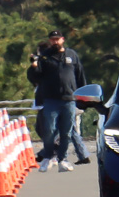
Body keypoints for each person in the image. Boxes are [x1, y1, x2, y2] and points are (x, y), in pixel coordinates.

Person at [27, 30, 89, 172]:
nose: (55, 42)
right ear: (49, 41)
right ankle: (48, 157)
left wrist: (83, 97)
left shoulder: (71, 55)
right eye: (52, 39)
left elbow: (80, 76)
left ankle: (63, 159)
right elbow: (34, 78)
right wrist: (34, 66)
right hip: (51, 100)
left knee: (66, 133)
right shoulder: (45, 57)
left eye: (57, 39)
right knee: (49, 130)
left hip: (69, 100)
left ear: (63, 39)